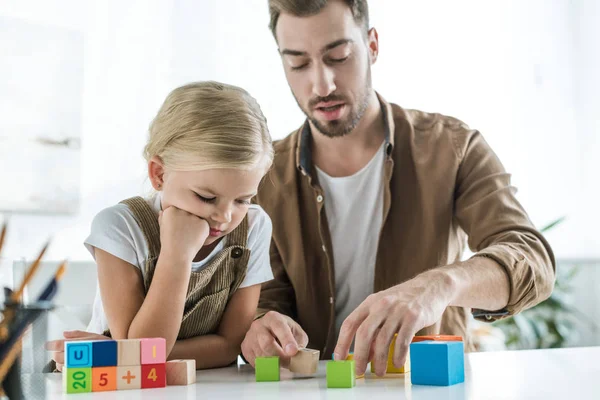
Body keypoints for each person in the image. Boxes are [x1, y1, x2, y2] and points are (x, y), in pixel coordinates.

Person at [240, 0, 555, 377]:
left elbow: (532, 259)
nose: (321, 84)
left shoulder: (452, 147)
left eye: (338, 56)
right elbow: (266, 299)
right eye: (298, 63)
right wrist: (259, 327)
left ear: (372, 45)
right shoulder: (262, 175)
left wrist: (441, 284)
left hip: (429, 387)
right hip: (317, 389)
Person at [46, 81, 275, 371]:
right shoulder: (119, 227)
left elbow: (230, 347)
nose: (224, 217)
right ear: (159, 174)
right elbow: (143, 349)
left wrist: (119, 355)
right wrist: (177, 254)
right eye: (206, 197)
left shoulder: (254, 226)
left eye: (242, 199)